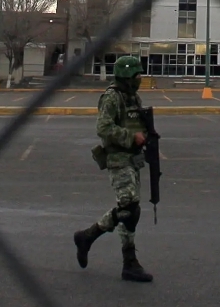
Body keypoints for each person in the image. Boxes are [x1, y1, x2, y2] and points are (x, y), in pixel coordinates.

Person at [73, 55, 154, 283]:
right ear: (126, 76)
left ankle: (87, 237)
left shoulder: (133, 98)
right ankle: (129, 262)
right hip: (118, 158)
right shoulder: (112, 97)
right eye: (136, 75)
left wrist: (147, 137)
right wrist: (130, 137)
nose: (140, 78)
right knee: (128, 207)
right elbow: (103, 127)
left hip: (133, 159)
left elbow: (139, 124)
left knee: (131, 208)